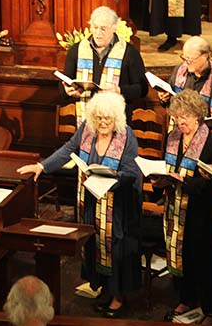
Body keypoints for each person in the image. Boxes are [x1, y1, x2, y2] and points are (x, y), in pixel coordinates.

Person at [17, 92, 142, 318]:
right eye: (98, 118)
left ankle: (118, 296)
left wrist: (111, 178)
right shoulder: (87, 129)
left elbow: (132, 173)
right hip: (91, 200)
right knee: (94, 244)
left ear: (117, 119)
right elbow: (68, 150)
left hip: (117, 204)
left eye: (107, 119)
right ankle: (104, 289)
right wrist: (41, 166)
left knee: (114, 247)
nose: (102, 123)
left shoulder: (127, 136)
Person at [155, 89, 212, 324]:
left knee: (201, 258)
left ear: (198, 116)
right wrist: (160, 180)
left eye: (186, 117)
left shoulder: (210, 140)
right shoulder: (173, 137)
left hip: (200, 210)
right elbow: (165, 166)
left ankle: (210, 308)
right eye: (177, 117)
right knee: (179, 256)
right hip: (175, 206)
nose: (181, 122)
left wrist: (188, 181)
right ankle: (186, 297)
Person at [60, 5, 147, 123]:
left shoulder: (129, 52)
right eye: (95, 27)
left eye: (103, 29)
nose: (97, 33)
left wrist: (119, 90)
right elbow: (65, 82)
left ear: (114, 28)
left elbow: (142, 89)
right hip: (85, 120)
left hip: (117, 123)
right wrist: (67, 90)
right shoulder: (77, 50)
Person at [157, 35, 212, 107]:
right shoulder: (180, 70)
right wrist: (165, 99)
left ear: (204, 56)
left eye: (190, 59)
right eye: (184, 58)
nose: (186, 63)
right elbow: (169, 102)